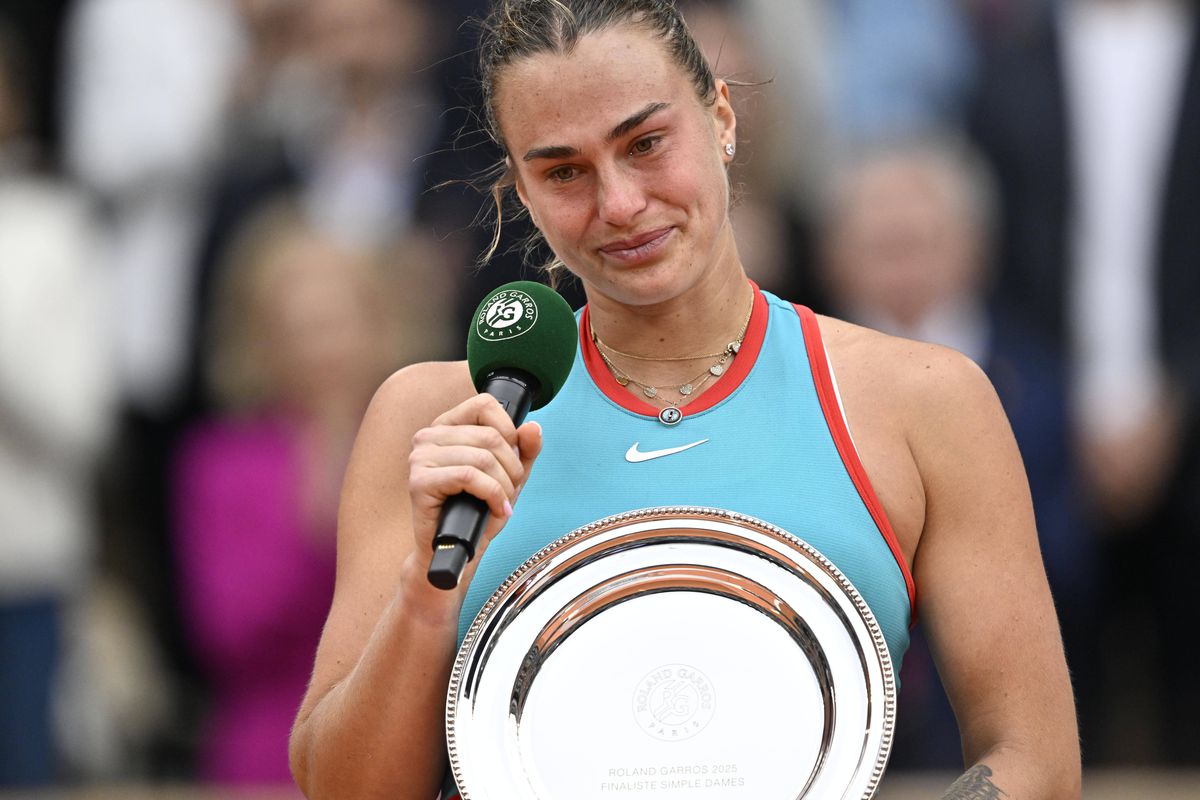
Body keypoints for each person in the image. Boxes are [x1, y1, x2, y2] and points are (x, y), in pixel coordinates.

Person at [288, 2, 1080, 798]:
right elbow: (338, 790)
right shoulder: (438, 421)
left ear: (723, 118)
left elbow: (1034, 759)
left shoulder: (924, 401)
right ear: (520, 190)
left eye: (647, 144)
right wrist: (427, 596)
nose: (620, 203)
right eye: (564, 171)